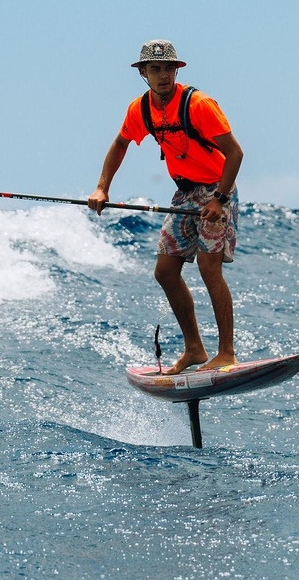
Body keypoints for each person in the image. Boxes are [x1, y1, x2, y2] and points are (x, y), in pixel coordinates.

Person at [88, 40, 244, 374]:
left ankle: (227, 353)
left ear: (177, 70)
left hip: (217, 190)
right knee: (165, 271)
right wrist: (102, 187)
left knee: (208, 267)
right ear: (143, 73)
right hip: (184, 194)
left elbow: (235, 153)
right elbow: (120, 144)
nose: (163, 76)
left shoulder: (199, 104)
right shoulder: (140, 109)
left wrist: (221, 199)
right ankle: (194, 349)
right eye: (155, 69)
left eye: (168, 69)